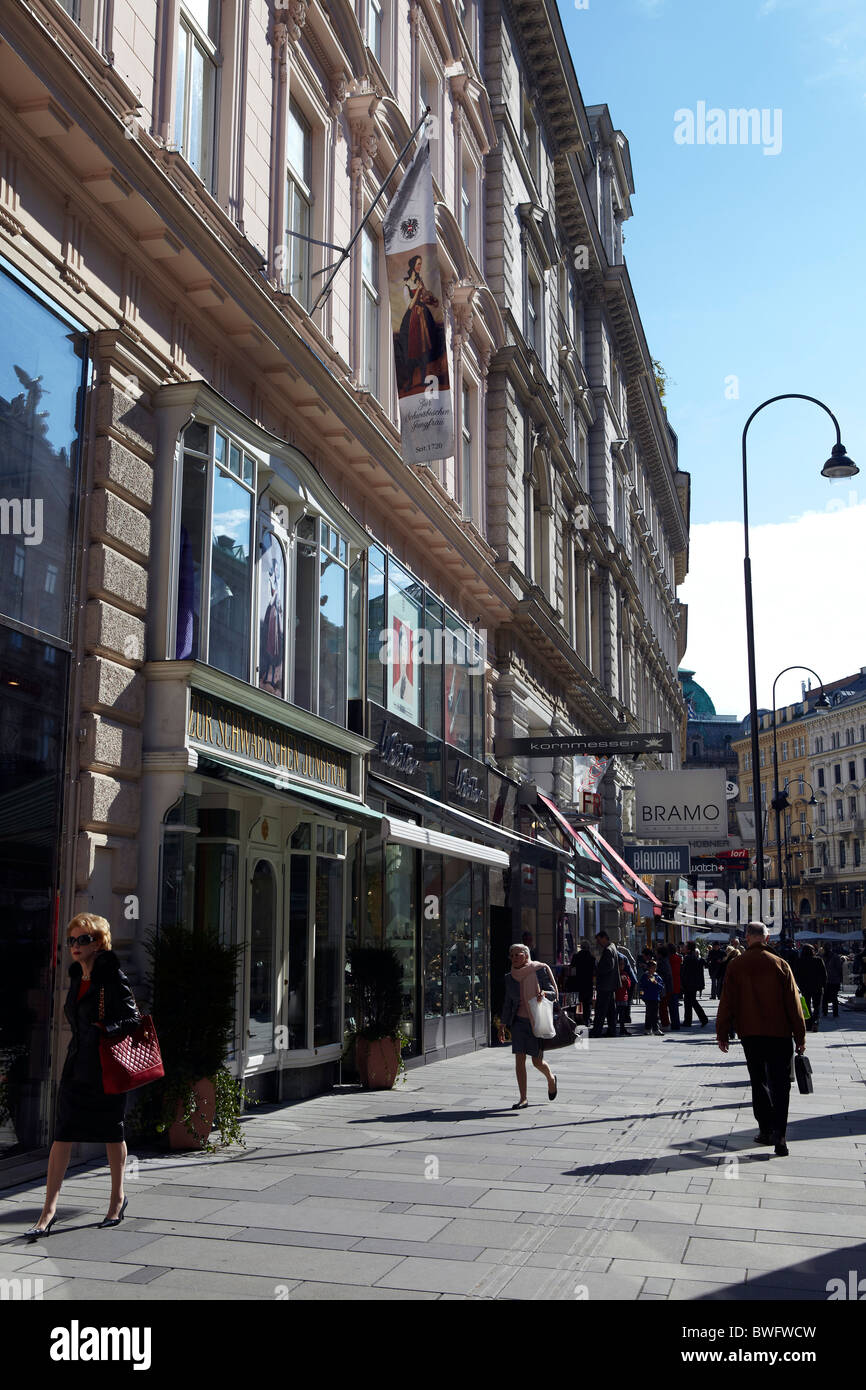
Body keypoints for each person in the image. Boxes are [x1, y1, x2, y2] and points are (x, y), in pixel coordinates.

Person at [26, 914, 140, 1240]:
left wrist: (104, 1029)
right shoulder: (78, 977)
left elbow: (132, 1019)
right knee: (62, 1135)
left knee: (112, 1133)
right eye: (72, 940)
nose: (76, 946)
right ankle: (49, 1209)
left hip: (105, 1068)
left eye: (83, 939)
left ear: (100, 942)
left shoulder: (111, 976)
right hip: (76, 1066)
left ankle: (117, 1199)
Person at [716, 921, 806, 1157]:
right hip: (780, 1033)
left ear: (747, 938)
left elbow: (727, 1001)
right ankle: (782, 1135)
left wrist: (722, 1032)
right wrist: (800, 1034)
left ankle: (765, 1130)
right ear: (766, 939)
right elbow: (794, 1004)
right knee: (781, 1084)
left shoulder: (736, 965)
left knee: (758, 1081)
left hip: (751, 1033)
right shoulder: (781, 964)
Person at [498, 944, 558, 1108]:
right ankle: (523, 1098)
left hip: (536, 1021)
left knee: (537, 1062)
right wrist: (502, 1025)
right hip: (518, 1022)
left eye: (518, 954)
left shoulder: (539, 970)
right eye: (512, 955)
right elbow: (508, 1003)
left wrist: (544, 993)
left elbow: (554, 993)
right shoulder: (510, 977)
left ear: (526, 955)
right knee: (519, 1059)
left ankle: (551, 1079)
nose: (515, 957)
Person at [590, 931, 621, 1037]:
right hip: (610, 984)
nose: (598, 943)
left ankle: (597, 1030)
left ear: (604, 938)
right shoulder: (613, 947)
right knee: (611, 1009)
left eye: (599, 940)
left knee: (601, 1008)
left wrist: (598, 968)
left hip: (605, 984)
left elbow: (608, 966)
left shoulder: (608, 950)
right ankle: (612, 1030)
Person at [797, 943, 826, 1032]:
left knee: (807, 1005)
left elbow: (796, 974)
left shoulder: (799, 961)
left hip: (804, 987)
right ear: (812, 951)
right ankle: (816, 1022)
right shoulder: (818, 960)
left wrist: (799, 985)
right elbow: (824, 974)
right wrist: (823, 985)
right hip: (817, 987)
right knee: (817, 1006)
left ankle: (808, 1023)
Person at [681, 941, 709, 1027]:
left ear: (688, 949)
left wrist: (683, 982)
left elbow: (685, 972)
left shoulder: (688, 958)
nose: (683, 948)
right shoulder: (693, 957)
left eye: (685, 947)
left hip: (689, 983)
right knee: (690, 1002)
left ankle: (702, 1018)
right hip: (693, 983)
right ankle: (689, 1020)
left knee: (691, 1001)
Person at [569, 940, 595, 1028]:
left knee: (574, 1002)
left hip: (577, 983)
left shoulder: (576, 956)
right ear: (588, 948)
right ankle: (586, 1020)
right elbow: (595, 971)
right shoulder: (592, 958)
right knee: (587, 1003)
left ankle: (573, 1020)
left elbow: (572, 969)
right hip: (587, 983)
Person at [638, 960, 666, 1036]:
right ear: (649, 968)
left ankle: (655, 1029)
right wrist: (641, 995)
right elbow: (641, 987)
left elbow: (661, 987)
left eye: (655, 967)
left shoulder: (657, 977)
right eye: (653, 967)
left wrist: (655, 982)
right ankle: (648, 1028)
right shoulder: (644, 976)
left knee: (655, 1014)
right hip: (648, 998)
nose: (654, 969)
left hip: (655, 998)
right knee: (649, 1014)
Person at [655, 945, 673, 1028]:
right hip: (666, 987)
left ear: (660, 954)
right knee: (663, 1006)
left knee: (663, 1007)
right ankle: (665, 1023)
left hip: (664, 988)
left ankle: (665, 1024)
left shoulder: (662, 962)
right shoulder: (665, 961)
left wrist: (653, 975)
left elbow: (662, 976)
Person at [823, 950, 845, 1018]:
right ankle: (835, 1013)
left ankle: (825, 1012)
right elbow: (839, 969)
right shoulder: (836, 957)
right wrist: (840, 979)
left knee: (825, 997)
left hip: (827, 980)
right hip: (835, 980)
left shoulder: (823, 957)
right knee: (834, 997)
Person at [668, 943, 683, 1030]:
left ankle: (674, 1024)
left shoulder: (669, 959)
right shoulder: (678, 958)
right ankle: (676, 1023)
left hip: (670, 983)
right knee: (674, 1005)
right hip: (677, 983)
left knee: (672, 1005)